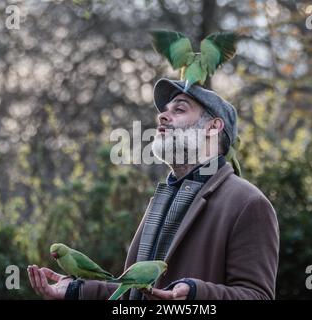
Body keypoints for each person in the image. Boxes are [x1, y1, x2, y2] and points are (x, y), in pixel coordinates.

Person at [27, 78, 279, 300]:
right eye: (164, 110)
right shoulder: (164, 198)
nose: (162, 116)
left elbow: (257, 295)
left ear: (213, 127)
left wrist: (194, 293)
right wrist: (75, 290)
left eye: (179, 109)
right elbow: (137, 294)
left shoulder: (248, 203)